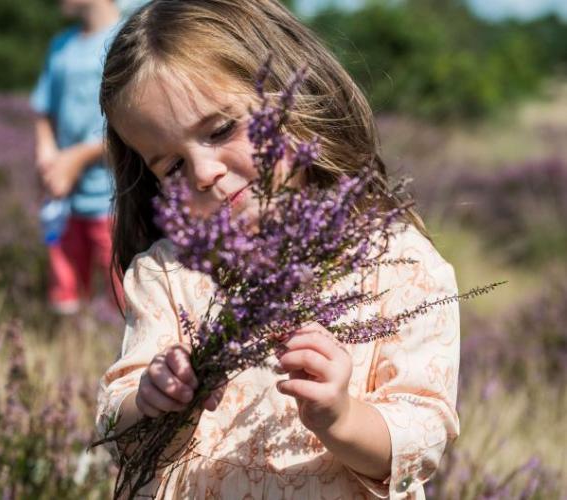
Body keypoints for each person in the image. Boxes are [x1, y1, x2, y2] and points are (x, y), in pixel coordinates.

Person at [96, 1, 459, 498]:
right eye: (172, 166)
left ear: (294, 97)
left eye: (221, 129)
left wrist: (342, 417)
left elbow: (424, 435)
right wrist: (149, 399)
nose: (204, 172)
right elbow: (121, 430)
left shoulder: (398, 264)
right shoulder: (169, 273)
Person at [31, 0, 123, 315]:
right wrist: (47, 153)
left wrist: (78, 158)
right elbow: (44, 110)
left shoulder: (129, 37)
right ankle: (72, 352)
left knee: (123, 292)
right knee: (65, 289)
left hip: (114, 197)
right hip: (65, 198)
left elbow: (130, 125)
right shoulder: (61, 46)